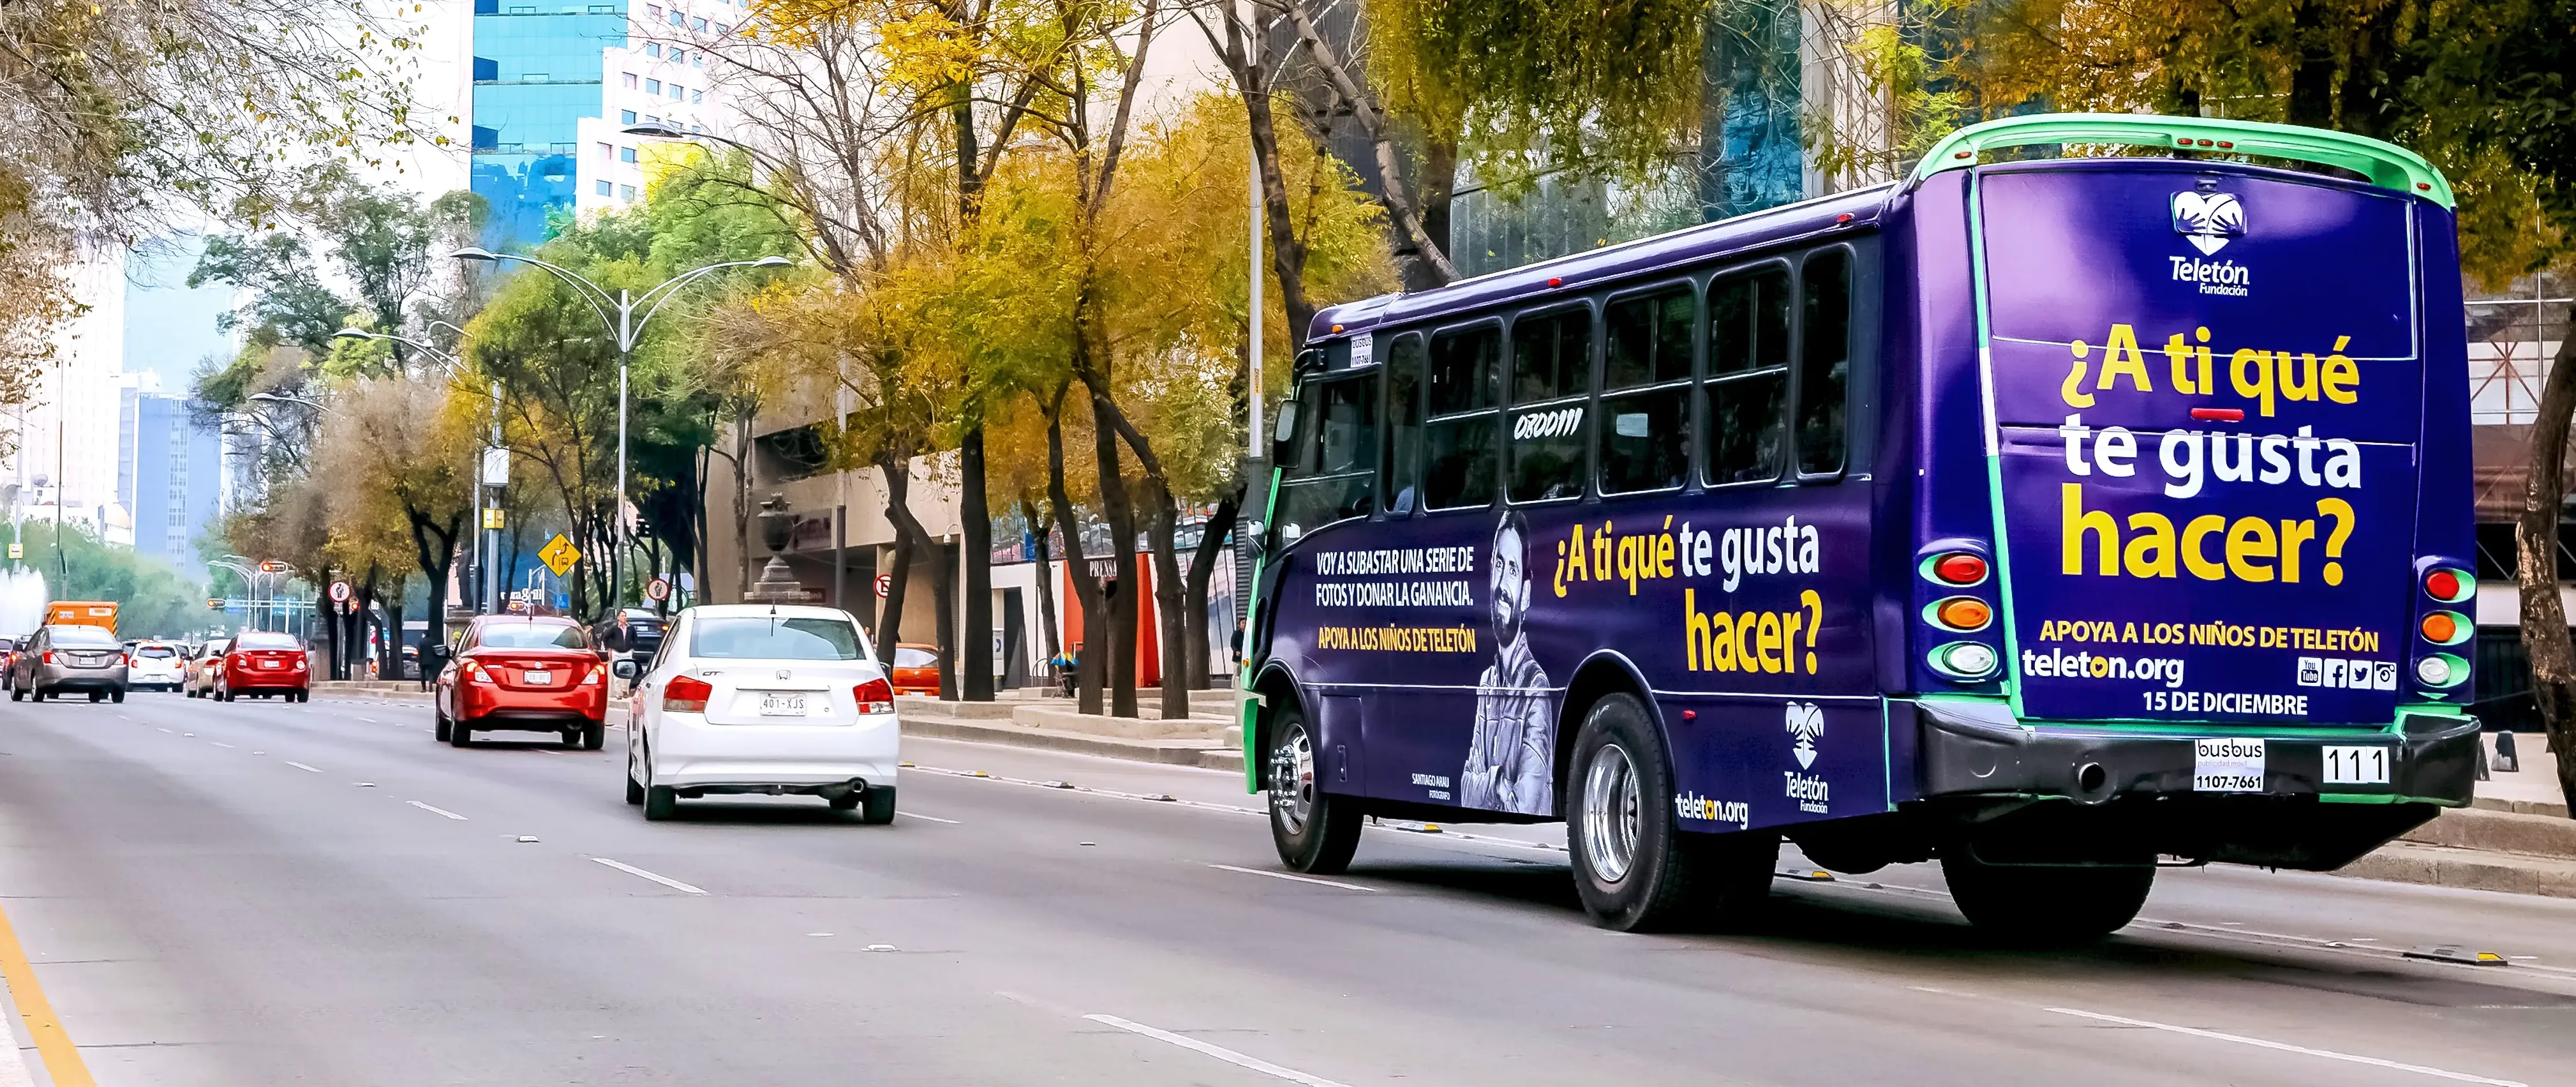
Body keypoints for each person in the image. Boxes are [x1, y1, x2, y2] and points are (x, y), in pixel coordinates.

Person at [1460, 509, 1554, 815]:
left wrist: (1485, 781)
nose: (1502, 583)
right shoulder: (1487, 683)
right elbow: (1464, 790)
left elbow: (1525, 806)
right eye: (1498, 565)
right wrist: (1499, 782)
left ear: (1525, 595)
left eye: (1513, 570)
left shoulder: (1536, 690)